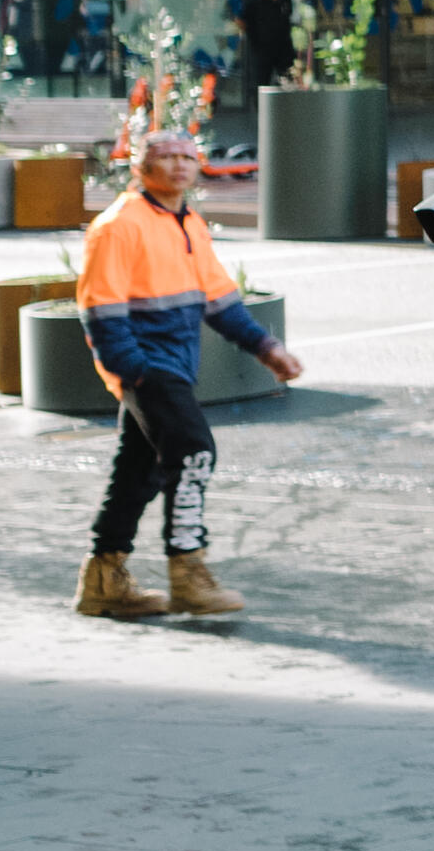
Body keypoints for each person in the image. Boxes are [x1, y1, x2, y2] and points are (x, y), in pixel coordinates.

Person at [70, 128, 300, 623]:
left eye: (187, 157)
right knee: (194, 454)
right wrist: (135, 371)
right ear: (139, 167)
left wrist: (267, 348)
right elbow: (99, 308)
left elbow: (219, 301)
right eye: (165, 156)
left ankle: (103, 581)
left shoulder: (189, 224)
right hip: (148, 369)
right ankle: (188, 574)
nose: (178, 165)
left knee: (138, 469)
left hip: (174, 366)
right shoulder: (118, 225)